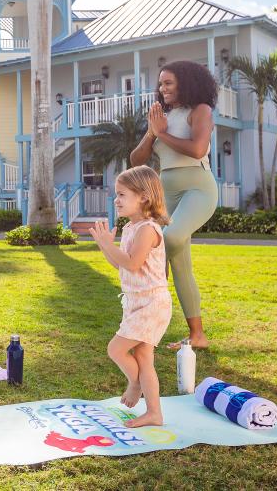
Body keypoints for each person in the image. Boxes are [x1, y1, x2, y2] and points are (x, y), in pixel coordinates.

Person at [130, 60, 218, 350]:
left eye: (168, 83)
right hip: (166, 192)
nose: (162, 88)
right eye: (160, 83)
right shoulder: (161, 116)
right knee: (180, 265)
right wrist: (154, 131)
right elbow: (137, 160)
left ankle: (144, 317)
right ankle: (197, 336)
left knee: (168, 239)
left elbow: (197, 149)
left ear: (186, 83)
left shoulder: (200, 110)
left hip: (198, 188)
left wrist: (163, 133)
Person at [89, 165, 172, 428]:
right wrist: (105, 248)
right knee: (145, 359)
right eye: (117, 194)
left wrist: (105, 244)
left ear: (144, 197)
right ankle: (154, 413)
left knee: (116, 349)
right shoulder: (130, 229)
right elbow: (121, 264)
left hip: (152, 303)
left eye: (122, 194)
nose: (116, 199)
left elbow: (133, 263)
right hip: (136, 302)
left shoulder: (148, 229)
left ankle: (135, 384)